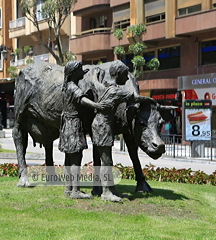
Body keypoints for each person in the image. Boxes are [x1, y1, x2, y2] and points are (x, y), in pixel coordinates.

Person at [91, 61, 157, 202]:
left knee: (104, 159)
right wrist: (150, 100)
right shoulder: (117, 91)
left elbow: (95, 84)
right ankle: (106, 191)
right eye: (125, 76)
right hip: (104, 126)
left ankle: (105, 188)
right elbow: (135, 98)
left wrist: (95, 76)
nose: (127, 79)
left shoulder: (104, 88)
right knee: (106, 160)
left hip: (97, 124)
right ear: (119, 75)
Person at [58, 61, 107, 199]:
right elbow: (83, 100)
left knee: (68, 156)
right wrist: (98, 105)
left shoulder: (66, 86)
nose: (82, 72)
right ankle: (75, 191)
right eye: (80, 70)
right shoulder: (73, 87)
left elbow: (79, 79)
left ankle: (68, 189)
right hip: (73, 124)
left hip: (66, 123)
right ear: (74, 73)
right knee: (76, 157)